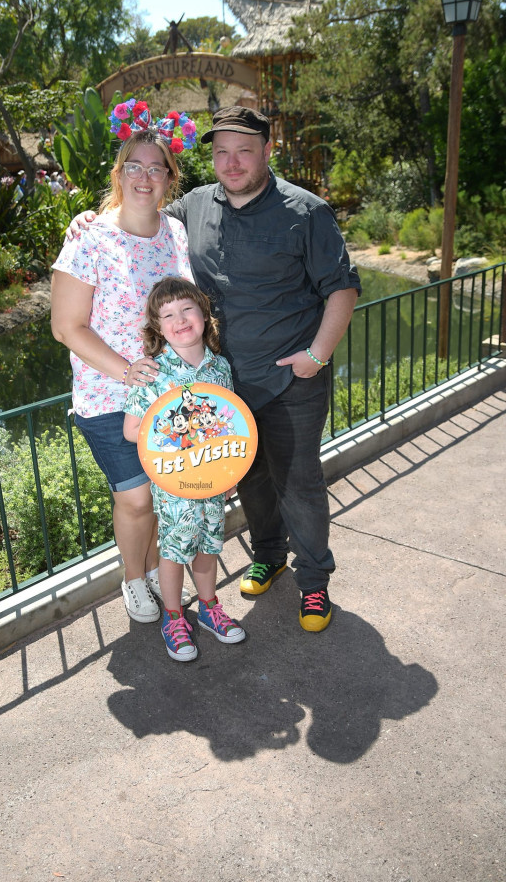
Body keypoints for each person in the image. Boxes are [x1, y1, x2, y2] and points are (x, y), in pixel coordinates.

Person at [68, 105, 361, 633]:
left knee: (299, 483)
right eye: (221, 151)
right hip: (222, 386)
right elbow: (138, 203)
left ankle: (314, 583)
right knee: (247, 480)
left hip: (291, 379)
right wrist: (91, 215)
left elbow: (341, 288)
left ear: (267, 152)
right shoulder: (194, 208)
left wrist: (316, 357)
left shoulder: (307, 211)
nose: (231, 162)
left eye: (244, 150)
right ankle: (268, 555)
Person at [50, 102, 198, 625]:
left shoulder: (175, 235)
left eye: (155, 168)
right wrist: (127, 370)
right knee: (135, 498)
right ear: (118, 174)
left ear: (169, 179)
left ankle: (156, 566)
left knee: (162, 493)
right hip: (108, 396)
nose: (144, 176)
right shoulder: (89, 236)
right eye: (133, 166)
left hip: (168, 395)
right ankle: (133, 579)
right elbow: (67, 326)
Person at [123, 276, 245, 662]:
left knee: (209, 545)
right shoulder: (152, 373)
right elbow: (131, 430)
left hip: (213, 479)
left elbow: (232, 425)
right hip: (174, 483)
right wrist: (169, 427)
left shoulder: (220, 367)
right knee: (174, 552)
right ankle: (174, 618)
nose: (180, 319)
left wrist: (232, 474)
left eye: (188, 308)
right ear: (158, 328)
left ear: (204, 315)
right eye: (168, 314)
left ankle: (209, 608)